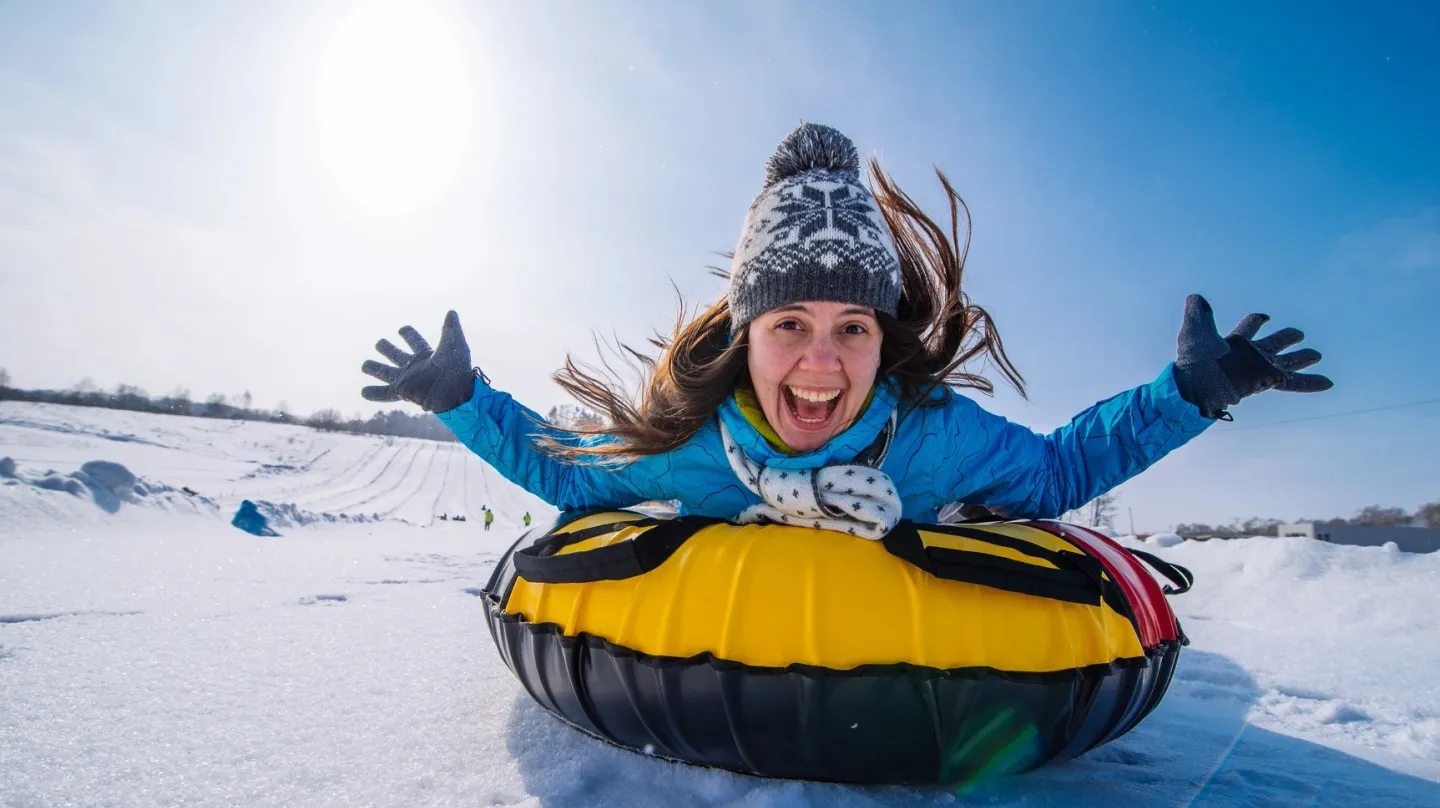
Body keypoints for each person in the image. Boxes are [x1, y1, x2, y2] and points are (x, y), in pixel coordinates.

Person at [361, 123, 1330, 540]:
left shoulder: (931, 440)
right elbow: (573, 476)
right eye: (789, 322)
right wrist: (462, 400)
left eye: (852, 327)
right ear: (745, 336)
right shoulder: (701, 448)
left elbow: (1058, 473)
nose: (822, 360)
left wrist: (1191, 396)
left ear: (882, 335)